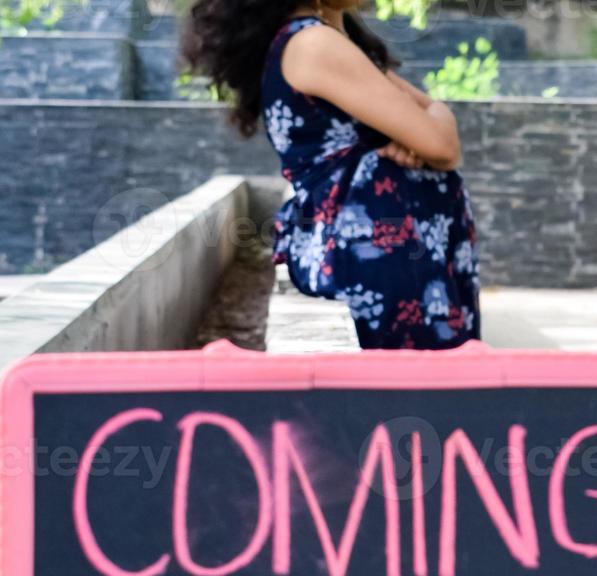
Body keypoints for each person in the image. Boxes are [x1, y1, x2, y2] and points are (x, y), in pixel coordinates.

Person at [182, 0, 480, 349]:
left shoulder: (325, 42)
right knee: (415, 397)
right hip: (379, 256)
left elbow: (432, 127)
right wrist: (432, 121)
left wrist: (429, 122)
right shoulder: (314, 45)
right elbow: (443, 144)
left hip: (391, 253)